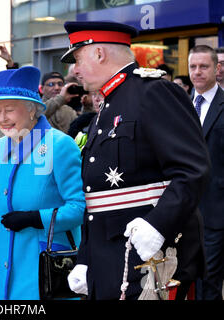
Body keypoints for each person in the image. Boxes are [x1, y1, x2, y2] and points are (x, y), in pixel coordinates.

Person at [61, 21, 210, 300]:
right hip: (110, 261)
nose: (75, 71)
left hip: (150, 259)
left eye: (78, 59)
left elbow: (192, 171)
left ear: (99, 53)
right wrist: (85, 257)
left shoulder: (153, 92)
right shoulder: (106, 106)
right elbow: (97, 194)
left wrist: (158, 225)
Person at [0, 66, 85, 300]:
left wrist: (35, 219)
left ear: (32, 111)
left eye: (9, 110)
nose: (1, 118)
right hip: (8, 267)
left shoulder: (59, 145)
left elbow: (79, 208)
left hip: (46, 270)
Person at [188, 45, 224, 300]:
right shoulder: (180, 105)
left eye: (204, 66)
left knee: (209, 284)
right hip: (183, 212)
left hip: (216, 212)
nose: (197, 72)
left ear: (217, 68)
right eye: (192, 67)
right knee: (188, 282)